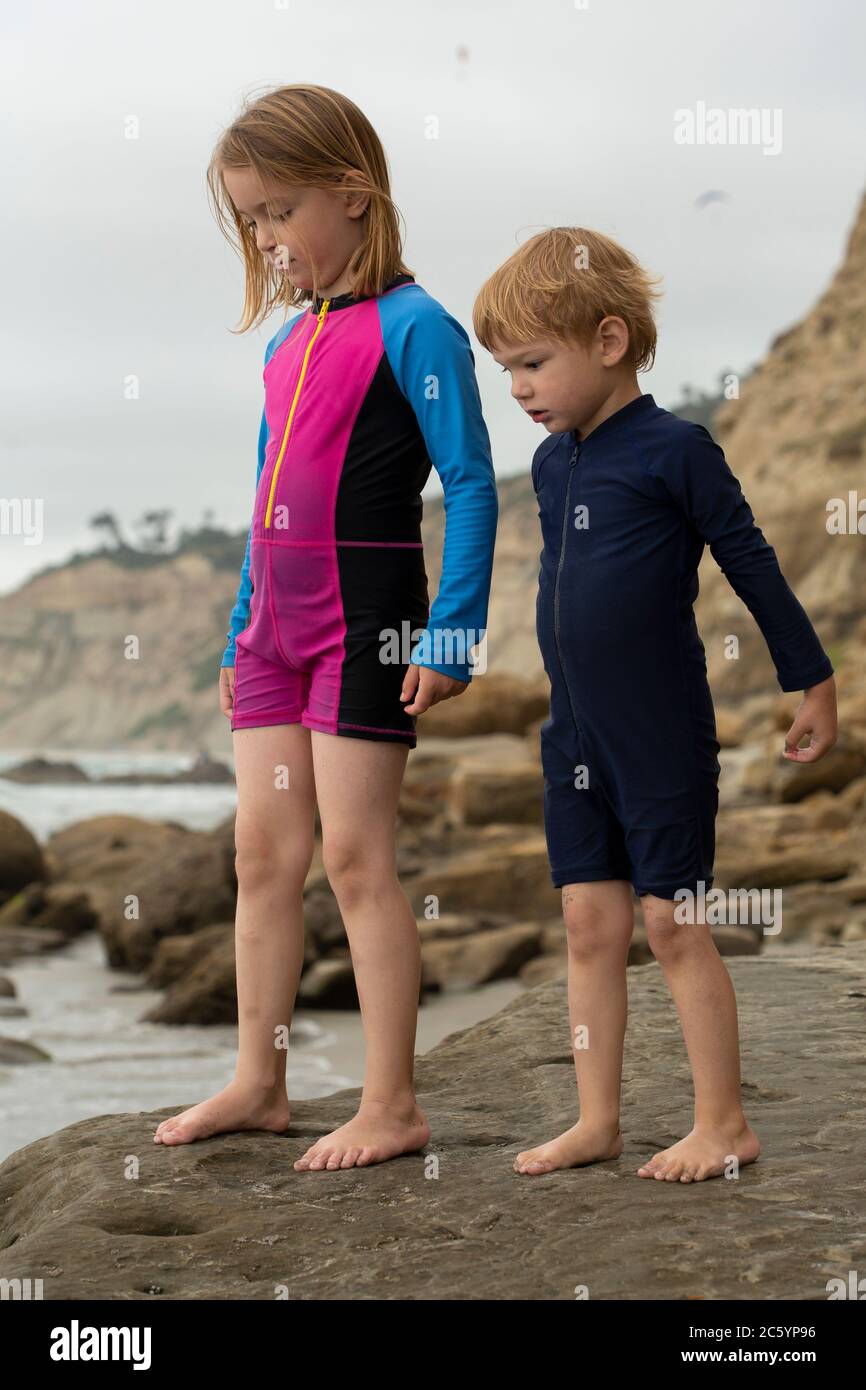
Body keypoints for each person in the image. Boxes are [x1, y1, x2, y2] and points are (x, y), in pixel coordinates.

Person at [153, 85, 498, 1170]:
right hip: (275, 632)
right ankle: (260, 1080)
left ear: (352, 197)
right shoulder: (283, 347)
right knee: (264, 852)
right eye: (249, 219)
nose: (265, 237)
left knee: (353, 855)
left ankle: (391, 1102)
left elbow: (474, 484)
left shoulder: (419, 326)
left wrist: (451, 632)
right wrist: (240, 625)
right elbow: (265, 491)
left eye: (278, 210)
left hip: (367, 622)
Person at [472, 226, 838, 1182]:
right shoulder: (554, 469)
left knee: (672, 923)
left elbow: (751, 564)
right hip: (574, 733)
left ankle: (724, 1124)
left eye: (533, 363)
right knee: (590, 926)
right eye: (507, 369)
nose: (518, 388)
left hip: (661, 729)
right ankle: (597, 1121)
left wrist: (814, 679)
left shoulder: (677, 450)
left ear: (608, 341)